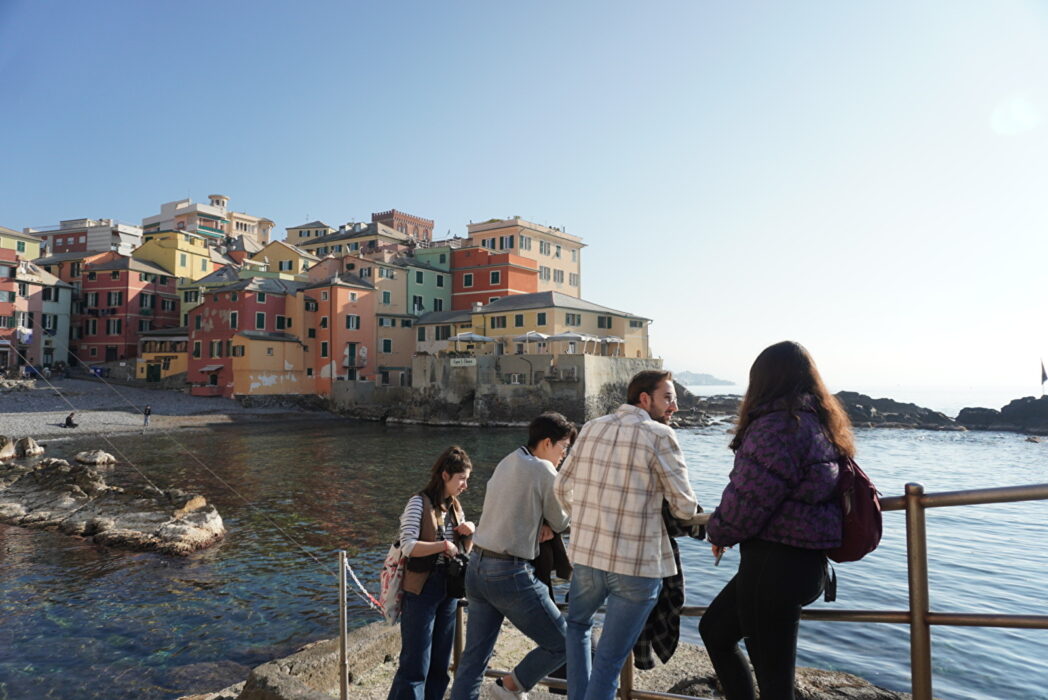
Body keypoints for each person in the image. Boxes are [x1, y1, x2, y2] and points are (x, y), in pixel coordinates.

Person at [700, 341, 850, 700]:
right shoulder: (819, 423)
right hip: (805, 565)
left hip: (773, 570)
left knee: (775, 686)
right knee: (716, 630)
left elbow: (749, 498)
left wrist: (718, 531)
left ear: (763, 381)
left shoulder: (778, 427)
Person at [554, 369, 699, 700]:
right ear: (644, 399)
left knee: (577, 628)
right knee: (609, 661)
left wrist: (589, 517)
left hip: (588, 556)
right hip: (636, 565)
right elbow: (685, 507)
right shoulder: (660, 435)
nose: (674, 407)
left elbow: (561, 485)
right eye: (668, 398)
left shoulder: (591, 427)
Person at [450, 412, 575, 700]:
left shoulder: (508, 461)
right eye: (562, 449)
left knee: (473, 659)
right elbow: (561, 521)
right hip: (509, 571)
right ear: (546, 443)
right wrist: (548, 523)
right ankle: (510, 686)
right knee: (564, 642)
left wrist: (536, 522)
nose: (563, 456)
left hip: (477, 566)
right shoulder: (544, 471)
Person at [387, 446, 476, 700]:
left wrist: (468, 535)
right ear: (446, 475)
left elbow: (461, 551)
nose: (465, 486)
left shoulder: (455, 507)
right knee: (416, 664)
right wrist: (442, 545)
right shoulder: (418, 502)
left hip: (448, 590)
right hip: (422, 589)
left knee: (439, 665)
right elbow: (408, 546)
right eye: (462, 479)